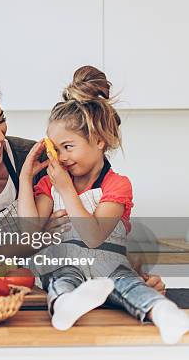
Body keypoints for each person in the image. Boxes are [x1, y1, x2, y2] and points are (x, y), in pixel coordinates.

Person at [0, 50, 165, 291]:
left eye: (1, 120)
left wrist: (133, 274)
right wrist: (41, 235)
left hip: (49, 278)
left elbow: (101, 220)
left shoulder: (36, 158)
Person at [17, 65, 187, 343]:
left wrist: (66, 189)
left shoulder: (117, 184)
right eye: (55, 148)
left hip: (110, 268)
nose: (60, 157)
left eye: (68, 147)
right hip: (65, 266)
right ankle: (65, 308)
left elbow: (93, 236)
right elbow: (29, 232)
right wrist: (26, 177)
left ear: (98, 140)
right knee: (62, 280)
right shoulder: (49, 184)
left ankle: (164, 314)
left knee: (129, 284)